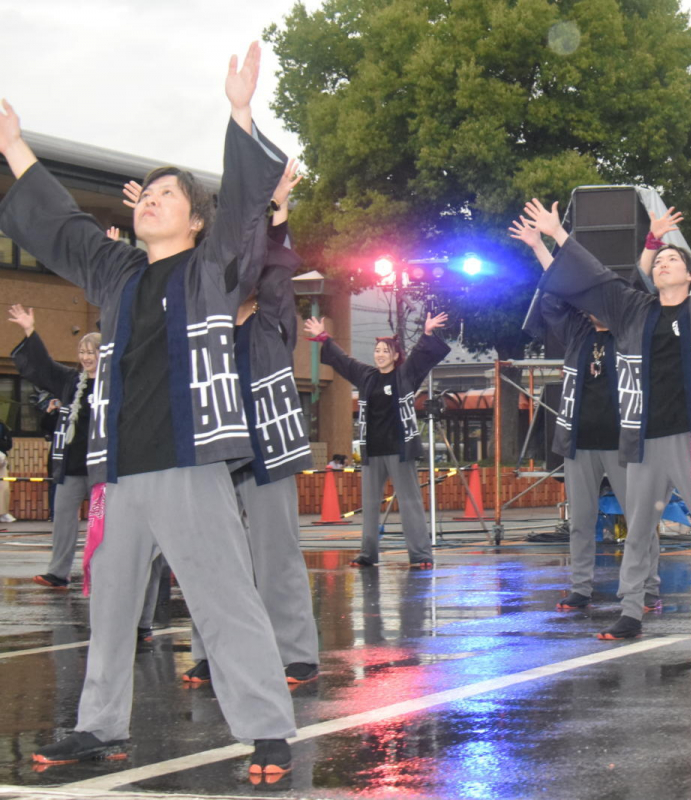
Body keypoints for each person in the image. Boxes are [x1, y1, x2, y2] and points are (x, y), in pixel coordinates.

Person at [0, 42, 298, 776]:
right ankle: (100, 726)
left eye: (170, 194)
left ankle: (265, 730)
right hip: (119, 467)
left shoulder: (212, 267)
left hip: (188, 461)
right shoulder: (120, 271)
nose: (154, 198)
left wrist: (239, 113)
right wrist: (13, 146)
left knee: (223, 599)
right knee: (109, 604)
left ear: (195, 222)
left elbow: (243, 217)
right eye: (150, 192)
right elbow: (64, 228)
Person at [520, 195, 691, 641]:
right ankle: (631, 612)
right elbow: (597, 279)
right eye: (659, 259)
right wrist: (557, 235)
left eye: (674, 259)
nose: (664, 263)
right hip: (642, 442)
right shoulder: (635, 311)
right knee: (637, 530)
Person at [176, 160, 320, 686]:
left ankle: (295, 650)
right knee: (213, 553)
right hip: (213, 439)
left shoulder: (272, 322)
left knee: (274, 547)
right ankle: (212, 650)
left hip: (267, 441)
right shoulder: (204, 318)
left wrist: (277, 212)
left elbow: (276, 269)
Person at [513, 218, 663, 611]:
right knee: (581, 520)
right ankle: (581, 587)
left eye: (602, 302)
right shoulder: (578, 332)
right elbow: (556, 287)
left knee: (639, 517)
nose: (595, 307)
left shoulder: (629, 330)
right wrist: (538, 247)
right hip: (579, 442)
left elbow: (632, 289)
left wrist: (651, 244)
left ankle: (648, 586)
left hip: (622, 441)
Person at [304, 313, 450, 569]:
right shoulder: (366, 376)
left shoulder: (405, 375)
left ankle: (420, 555)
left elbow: (419, 357)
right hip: (372, 450)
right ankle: (367, 554)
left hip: (400, 448)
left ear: (395, 356)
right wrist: (324, 337)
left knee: (410, 503)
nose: (380, 354)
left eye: (386, 351)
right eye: (377, 350)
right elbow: (344, 361)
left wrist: (426, 334)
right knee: (369, 506)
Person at [8, 307, 99, 588]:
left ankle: (103, 573)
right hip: (72, 465)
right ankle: (59, 573)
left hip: (104, 467)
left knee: (105, 525)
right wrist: (29, 330)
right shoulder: (71, 381)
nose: (85, 357)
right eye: (82, 352)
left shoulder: (116, 383)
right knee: (62, 518)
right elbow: (44, 366)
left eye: (91, 352)